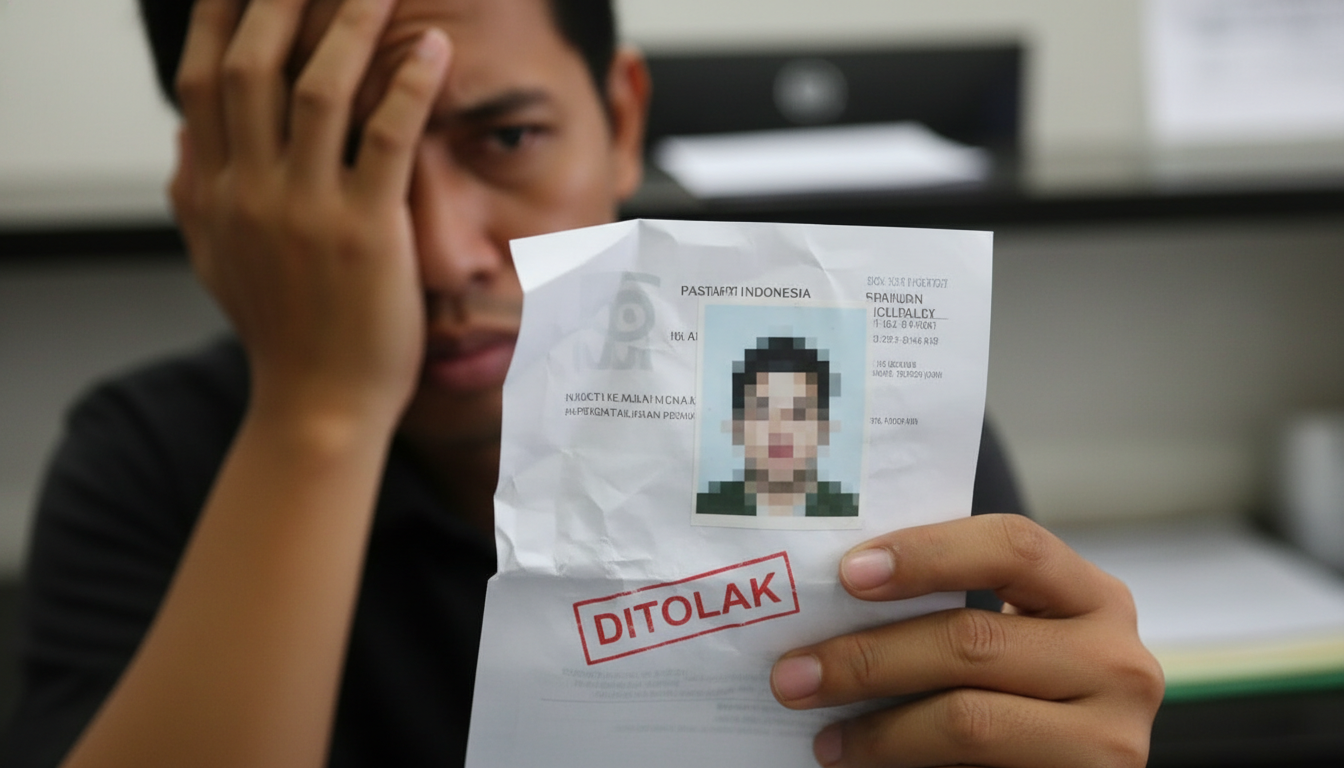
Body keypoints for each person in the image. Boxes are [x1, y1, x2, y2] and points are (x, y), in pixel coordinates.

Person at [0, 0, 1164, 766]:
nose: (443, 252)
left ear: (619, 120)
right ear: (217, 196)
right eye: (343, 162)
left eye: (504, 140)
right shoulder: (148, 464)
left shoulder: (856, 425)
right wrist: (319, 408)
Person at [697, 336, 859, 518]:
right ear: (738, 425)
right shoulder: (706, 507)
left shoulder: (849, 510)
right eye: (763, 413)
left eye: (798, 414)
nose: (780, 430)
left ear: (823, 428)